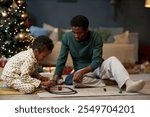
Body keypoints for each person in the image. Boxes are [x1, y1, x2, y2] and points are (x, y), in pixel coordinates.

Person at [53, 15, 145, 93]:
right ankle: (110, 82)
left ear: (86, 30)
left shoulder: (96, 36)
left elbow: (96, 60)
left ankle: (129, 84)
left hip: (98, 68)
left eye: (79, 33)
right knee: (75, 81)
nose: (76, 36)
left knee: (113, 59)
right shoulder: (67, 38)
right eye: (74, 32)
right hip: (82, 72)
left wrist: (83, 71)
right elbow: (62, 59)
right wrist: (55, 78)